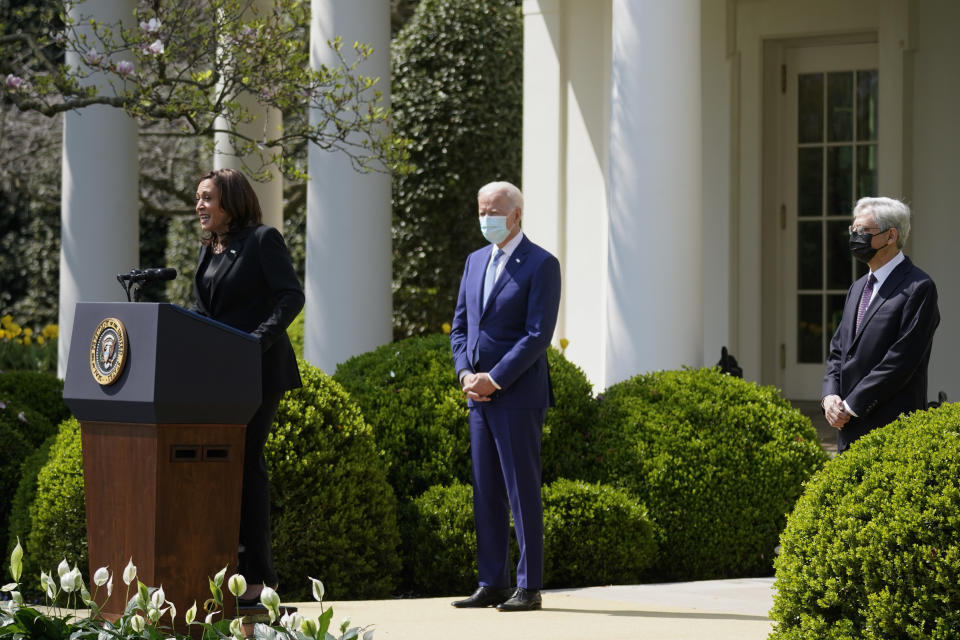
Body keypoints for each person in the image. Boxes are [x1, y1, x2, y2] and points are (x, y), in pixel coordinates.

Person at [192, 168, 304, 603]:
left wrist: (254, 341)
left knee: (246, 465)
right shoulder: (210, 249)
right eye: (198, 198)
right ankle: (226, 574)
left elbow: (291, 296)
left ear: (231, 202)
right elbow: (204, 312)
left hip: (258, 371)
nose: (199, 206)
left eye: (206, 198)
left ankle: (260, 579)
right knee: (222, 469)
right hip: (218, 375)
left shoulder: (262, 240)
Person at [449, 181, 561, 612]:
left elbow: (537, 336)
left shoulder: (541, 264)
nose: (486, 219)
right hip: (477, 396)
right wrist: (465, 373)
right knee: (486, 491)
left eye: (493, 211)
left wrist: (493, 379)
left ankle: (528, 586)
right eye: (480, 211)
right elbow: (460, 327)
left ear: (516, 215)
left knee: (521, 490)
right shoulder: (475, 261)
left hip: (516, 395)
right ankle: (491, 581)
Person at [821, 196, 939, 453]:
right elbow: (839, 351)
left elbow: (901, 361)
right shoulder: (858, 287)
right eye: (853, 230)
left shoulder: (919, 288)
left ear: (890, 236)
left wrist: (851, 406)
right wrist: (830, 397)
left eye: (863, 231)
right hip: (847, 431)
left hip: (890, 432)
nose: (855, 236)